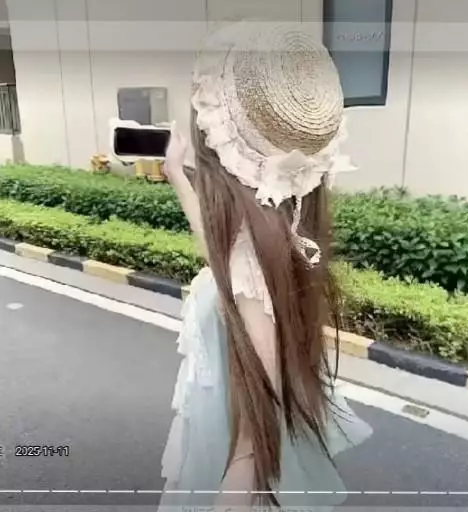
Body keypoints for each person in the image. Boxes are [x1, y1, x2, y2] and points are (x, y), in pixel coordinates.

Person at [158, 21, 372, 510]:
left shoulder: (251, 270)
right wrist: (176, 176)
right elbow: (219, 254)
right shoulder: (264, 244)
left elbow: (254, 445)